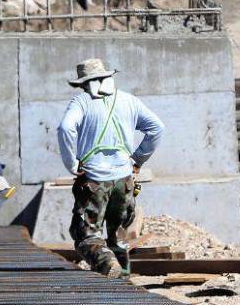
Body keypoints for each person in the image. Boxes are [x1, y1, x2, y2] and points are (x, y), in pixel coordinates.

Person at [56, 58, 164, 278]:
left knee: (86, 234)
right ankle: (122, 275)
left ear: (85, 84)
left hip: (94, 179)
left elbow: (66, 128)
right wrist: (137, 160)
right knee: (118, 233)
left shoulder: (82, 102)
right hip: (124, 179)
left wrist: (73, 165)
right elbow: (156, 128)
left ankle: (107, 264)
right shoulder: (129, 101)